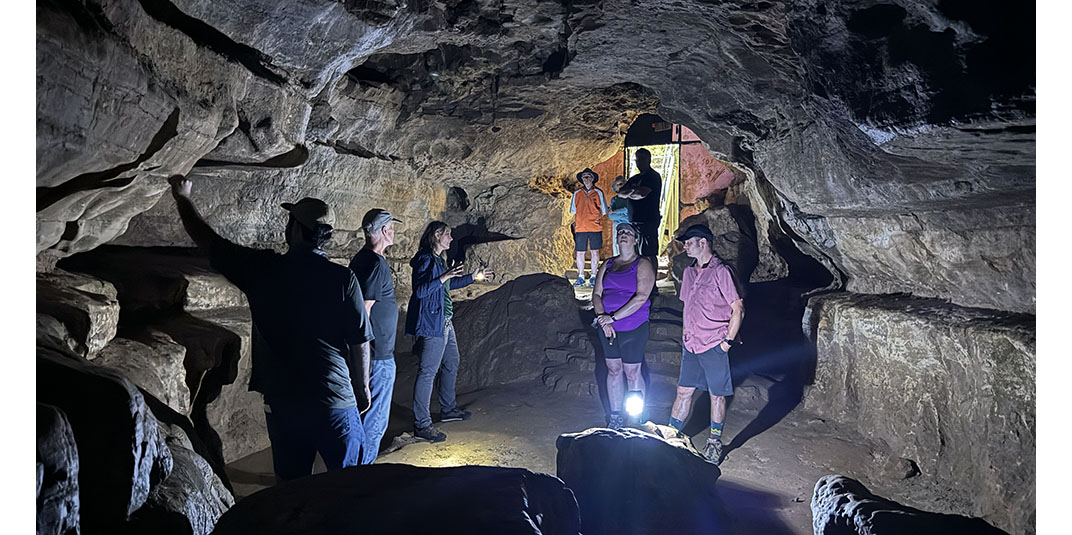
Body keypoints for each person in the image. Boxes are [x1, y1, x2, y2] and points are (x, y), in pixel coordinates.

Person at [167, 175, 374, 481]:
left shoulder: (263, 271)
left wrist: (182, 197)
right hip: (333, 399)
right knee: (350, 488)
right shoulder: (342, 280)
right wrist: (363, 387)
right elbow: (360, 341)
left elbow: (209, 241)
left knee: (292, 493)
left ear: (295, 229)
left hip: (284, 401)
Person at [405, 221, 494, 442]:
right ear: (437, 235)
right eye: (448, 235)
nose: (451, 239)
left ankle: (448, 409)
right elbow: (421, 291)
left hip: (445, 320)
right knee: (427, 373)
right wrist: (445, 276)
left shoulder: (438, 260)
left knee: (452, 362)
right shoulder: (425, 259)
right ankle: (422, 425)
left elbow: (447, 286)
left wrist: (472, 277)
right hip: (434, 323)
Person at [667, 224, 744, 466]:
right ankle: (670, 436)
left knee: (716, 396)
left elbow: (738, 309)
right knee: (683, 391)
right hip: (691, 344)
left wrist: (726, 343)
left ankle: (714, 442)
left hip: (713, 343)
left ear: (703, 242)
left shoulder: (722, 271)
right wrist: (685, 334)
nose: (685, 246)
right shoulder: (689, 273)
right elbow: (687, 307)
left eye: (688, 242)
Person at [349, 208, 402, 464]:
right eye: (391, 226)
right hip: (377, 356)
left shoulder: (362, 259)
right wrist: (365, 362)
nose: (394, 231)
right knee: (374, 423)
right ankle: (361, 478)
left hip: (372, 354)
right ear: (383, 230)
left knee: (365, 419)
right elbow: (364, 311)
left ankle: (353, 474)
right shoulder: (374, 263)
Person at [592, 223, 656, 430]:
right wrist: (602, 318)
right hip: (608, 327)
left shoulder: (643, 263)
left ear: (636, 239)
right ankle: (616, 415)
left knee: (632, 371)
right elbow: (596, 294)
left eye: (628, 233)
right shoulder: (608, 264)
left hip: (633, 325)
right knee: (613, 369)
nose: (623, 235)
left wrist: (613, 318)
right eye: (620, 233)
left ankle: (636, 415)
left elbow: (641, 297)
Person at [618, 148, 662, 261]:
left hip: (648, 220)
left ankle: (652, 277)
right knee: (634, 253)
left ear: (648, 160)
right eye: (637, 159)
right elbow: (621, 193)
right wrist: (634, 191)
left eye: (641, 159)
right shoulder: (634, 178)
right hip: (634, 221)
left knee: (649, 253)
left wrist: (630, 192)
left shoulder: (653, 177)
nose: (639, 162)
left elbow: (642, 194)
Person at [570, 168, 608, 287]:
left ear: (593, 178)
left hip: (595, 227)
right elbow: (573, 210)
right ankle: (580, 276)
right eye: (584, 177)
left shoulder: (598, 192)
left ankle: (593, 276)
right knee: (580, 252)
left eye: (588, 176)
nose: (586, 179)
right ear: (581, 179)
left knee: (595, 252)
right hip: (581, 227)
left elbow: (604, 210)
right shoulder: (577, 193)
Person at [608, 176, 631, 257]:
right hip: (617, 225)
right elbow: (611, 217)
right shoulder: (613, 200)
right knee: (617, 244)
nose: (620, 186)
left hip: (630, 225)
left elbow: (628, 210)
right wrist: (623, 214)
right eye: (618, 185)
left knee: (630, 245)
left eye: (622, 184)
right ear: (615, 187)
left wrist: (616, 212)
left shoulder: (630, 198)